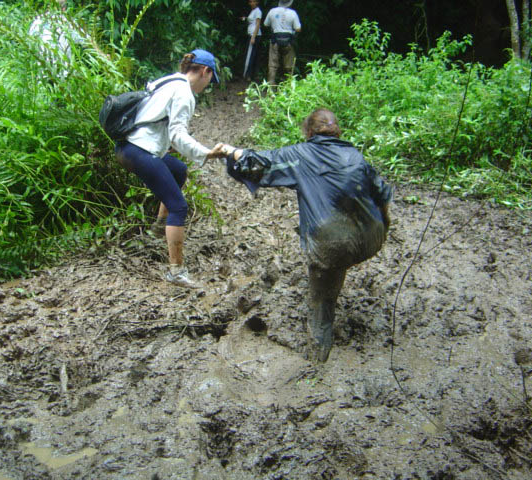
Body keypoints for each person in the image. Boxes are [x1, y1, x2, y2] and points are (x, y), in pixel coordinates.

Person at [218, 109, 392, 362]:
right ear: (337, 131)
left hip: (333, 242)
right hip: (372, 237)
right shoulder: (355, 155)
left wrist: (229, 150)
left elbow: (258, 164)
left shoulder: (301, 154)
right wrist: (385, 227)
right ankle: (341, 264)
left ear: (309, 132)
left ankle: (317, 362)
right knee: (340, 249)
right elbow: (383, 196)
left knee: (323, 297)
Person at [115, 49, 224, 288]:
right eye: (210, 80)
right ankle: (176, 272)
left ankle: (158, 228)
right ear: (205, 71)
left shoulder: (169, 80)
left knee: (178, 170)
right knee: (179, 206)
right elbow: (178, 135)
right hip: (140, 151)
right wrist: (207, 153)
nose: (208, 85)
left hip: (126, 146)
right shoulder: (184, 93)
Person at [28, 0, 84, 78]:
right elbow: (85, 41)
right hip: (64, 74)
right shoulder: (67, 22)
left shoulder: (36, 22)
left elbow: (30, 44)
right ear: (64, 8)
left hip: (43, 74)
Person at [263, 0, 301, 85]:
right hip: (288, 41)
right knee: (289, 66)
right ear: (290, 3)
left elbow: (266, 24)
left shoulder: (272, 11)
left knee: (273, 65)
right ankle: (289, 86)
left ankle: (271, 88)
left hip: (275, 40)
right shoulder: (293, 13)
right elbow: (298, 28)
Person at [241, 0, 263, 81]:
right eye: (250, 2)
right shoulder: (253, 11)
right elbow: (252, 21)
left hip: (254, 35)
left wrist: (253, 37)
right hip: (251, 34)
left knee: (250, 55)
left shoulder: (258, 11)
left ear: (257, 2)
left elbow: (257, 24)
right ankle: (251, 75)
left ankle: (247, 75)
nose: (251, 3)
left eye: (253, 1)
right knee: (253, 55)